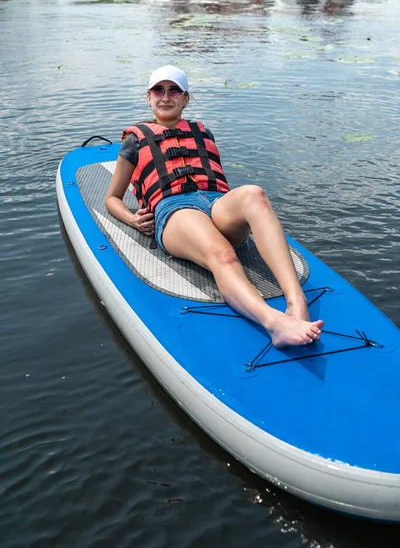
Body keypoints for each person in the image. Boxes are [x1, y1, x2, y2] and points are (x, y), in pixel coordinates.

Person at [105, 65, 324, 348]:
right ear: (149, 97)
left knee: (254, 194)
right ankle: (274, 323)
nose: (166, 96)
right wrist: (133, 219)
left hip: (215, 202)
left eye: (174, 90)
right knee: (222, 254)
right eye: (158, 90)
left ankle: (297, 302)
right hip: (174, 210)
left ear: (186, 98)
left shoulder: (200, 131)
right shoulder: (135, 141)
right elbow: (112, 199)